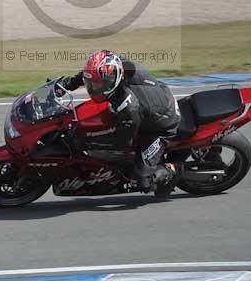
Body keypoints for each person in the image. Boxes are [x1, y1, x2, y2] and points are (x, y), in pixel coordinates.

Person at [59, 49, 181, 192]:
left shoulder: (129, 108)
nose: (93, 88)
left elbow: (122, 142)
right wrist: (66, 85)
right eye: (91, 84)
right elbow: (92, 74)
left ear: (112, 80)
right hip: (156, 98)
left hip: (162, 125)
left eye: (98, 85)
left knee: (142, 182)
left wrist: (86, 142)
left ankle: (174, 170)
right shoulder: (115, 65)